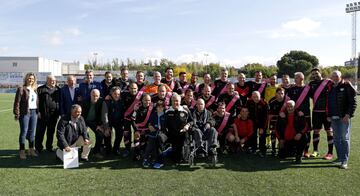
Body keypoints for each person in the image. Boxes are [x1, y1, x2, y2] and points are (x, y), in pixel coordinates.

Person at [328, 70, 357, 169]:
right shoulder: (330, 87)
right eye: (333, 76)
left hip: (344, 117)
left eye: (336, 76)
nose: (334, 77)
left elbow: (353, 102)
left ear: (340, 77)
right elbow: (328, 102)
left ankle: (344, 161)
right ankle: (339, 158)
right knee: (336, 139)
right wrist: (328, 114)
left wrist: (348, 115)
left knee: (344, 139)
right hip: (333, 118)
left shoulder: (346, 86)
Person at [308, 68, 334, 159]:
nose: (315, 75)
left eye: (316, 73)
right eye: (313, 74)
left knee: (329, 131)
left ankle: (330, 153)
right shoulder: (311, 84)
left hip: (327, 112)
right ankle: (315, 151)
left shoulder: (329, 82)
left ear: (320, 72)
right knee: (316, 131)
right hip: (316, 111)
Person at [13, 72, 39, 159]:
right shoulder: (21, 89)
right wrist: (17, 113)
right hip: (25, 113)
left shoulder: (35, 89)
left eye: (32, 78)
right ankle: (22, 151)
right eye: (29, 78)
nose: (30, 80)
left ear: (34, 80)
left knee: (32, 132)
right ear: (26, 79)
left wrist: (38, 111)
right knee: (24, 132)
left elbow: (36, 102)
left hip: (34, 112)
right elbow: (17, 102)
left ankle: (31, 150)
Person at [286, 72, 312, 158]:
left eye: (296, 77)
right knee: (295, 131)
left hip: (306, 114)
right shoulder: (291, 89)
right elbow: (285, 98)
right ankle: (296, 150)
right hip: (294, 114)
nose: (295, 79)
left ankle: (306, 151)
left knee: (307, 132)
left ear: (301, 78)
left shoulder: (308, 88)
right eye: (294, 77)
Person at [164, 93, 193, 163]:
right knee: (176, 159)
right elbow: (164, 124)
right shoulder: (167, 111)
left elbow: (191, 121)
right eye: (173, 101)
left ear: (180, 102)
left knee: (183, 158)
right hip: (171, 135)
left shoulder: (185, 110)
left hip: (183, 134)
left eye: (177, 101)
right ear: (171, 101)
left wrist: (187, 125)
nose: (175, 102)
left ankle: (185, 155)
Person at [35, 75, 60, 153]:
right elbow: (36, 102)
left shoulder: (58, 89)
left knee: (50, 132)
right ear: (47, 80)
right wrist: (38, 111)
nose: (53, 82)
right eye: (51, 80)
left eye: (54, 80)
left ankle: (49, 147)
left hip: (54, 115)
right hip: (42, 115)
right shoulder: (40, 89)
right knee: (40, 132)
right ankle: (38, 148)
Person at [82, 89, 108, 158]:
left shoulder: (102, 102)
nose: (95, 97)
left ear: (99, 96)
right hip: (85, 121)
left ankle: (96, 152)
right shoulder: (85, 101)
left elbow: (104, 116)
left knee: (100, 134)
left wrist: (102, 127)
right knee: (84, 135)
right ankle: (83, 151)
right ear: (90, 95)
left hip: (95, 122)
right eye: (93, 95)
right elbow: (82, 117)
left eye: (97, 96)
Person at [143, 100, 166, 168]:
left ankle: (158, 161)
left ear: (164, 108)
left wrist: (162, 130)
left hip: (161, 135)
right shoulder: (154, 114)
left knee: (159, 148)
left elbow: (166, 126)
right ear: (156, 108)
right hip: (153, 133)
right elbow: (149, 123)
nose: (160, 108)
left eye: (161, 107)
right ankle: (145, 160)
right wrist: (150, 126)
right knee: (149, 147)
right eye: (158, 107)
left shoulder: (165, 115)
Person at [246, 91, 268, 157]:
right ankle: (254, 149)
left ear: (260, 96)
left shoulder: (264, 103)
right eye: (254, 97)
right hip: (253, 122)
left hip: (262, 122)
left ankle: (262, 150)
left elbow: (266, 117)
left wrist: (263, 127)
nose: (255, 98)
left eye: (257, 97)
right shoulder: (249, 102)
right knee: (253, 135)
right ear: (252, 97)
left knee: (262, 136)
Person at [133, 94, 153, 161]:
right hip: (139, 129)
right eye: (145, 100)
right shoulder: (137, 108)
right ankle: (137, 153)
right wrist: (136, 129)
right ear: (142, 100)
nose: (147, 102)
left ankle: (146, 152)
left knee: (148, 138)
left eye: (149, 100)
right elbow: (133, 119)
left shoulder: (152, 108)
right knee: (136, 135)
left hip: (148, 129)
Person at [104, 86, 124, 155]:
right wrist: (106, 127)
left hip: (118, 121)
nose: (117, 95)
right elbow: (105, 115)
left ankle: (116, 149)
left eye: (118, 94)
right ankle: (108, 149)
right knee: (108, 134)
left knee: (120, 134)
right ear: (111, 94)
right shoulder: (107, 101)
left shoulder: (122, 101)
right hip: (109, 121)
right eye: (115, 94)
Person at [267, 87, 286, 156]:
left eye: (282, 93)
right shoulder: (272, 101)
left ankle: (281, 148)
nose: (280, 95)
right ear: (276, 94)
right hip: (274, 120)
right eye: (279, 93)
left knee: (282, 134)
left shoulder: (286, 101)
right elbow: (269, 113)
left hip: (283, 121)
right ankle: (273, 149)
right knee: (273, 133)